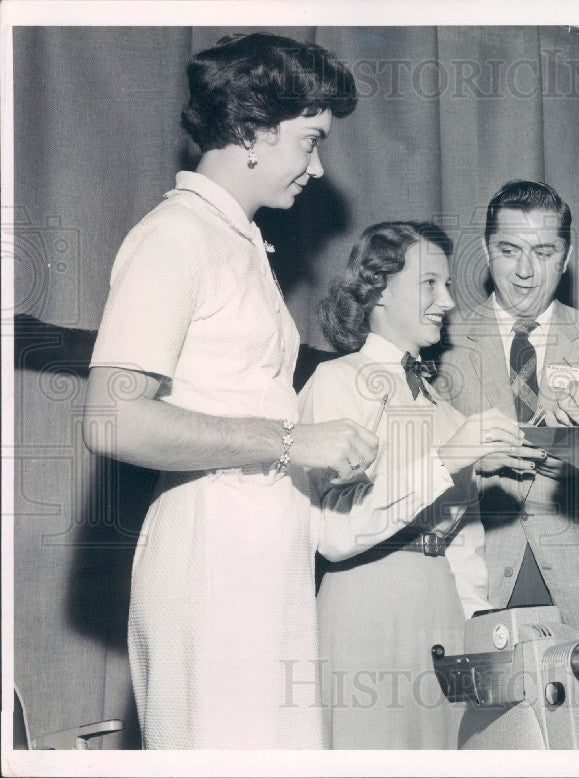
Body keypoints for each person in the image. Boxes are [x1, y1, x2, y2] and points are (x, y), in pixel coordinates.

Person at [82, 34, 377, 749]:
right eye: (309, 142)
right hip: (210, 562)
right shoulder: (176, 235)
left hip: (260, 561)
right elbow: (113, 420)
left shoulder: (235, 240)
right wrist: (284, 440)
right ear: (250, 129)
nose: (318, 167)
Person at [300, 221, 544, 748]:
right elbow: (336, 535)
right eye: (430, 284)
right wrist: (452, 455)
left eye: (448, 285)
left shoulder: (443, 409)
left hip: (441, 618)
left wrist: (475, 627)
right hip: (367, 611)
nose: (448, 301)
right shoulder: (336, 380)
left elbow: (463, 545)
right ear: (379, 288)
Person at [434, 180, 579, 640]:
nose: (525, 271)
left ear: (566, 258)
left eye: (544, 252)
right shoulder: (441, 342)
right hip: (476, 584)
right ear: (487, 253)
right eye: (510, 250)